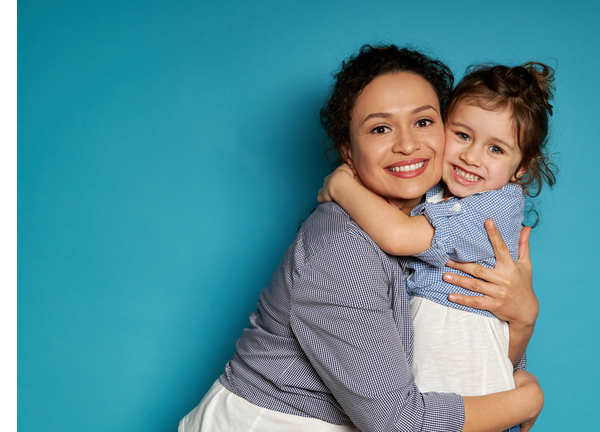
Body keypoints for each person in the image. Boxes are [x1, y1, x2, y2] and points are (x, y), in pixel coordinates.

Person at [179, 44, 543, 432]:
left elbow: (470, 349)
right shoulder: (343, 248)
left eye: (422, 122)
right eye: (380, 128)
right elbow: (398, 422)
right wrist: (524, 401)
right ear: (348, 152)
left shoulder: (436, 221)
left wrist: (523, 319)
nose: (407, 144)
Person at [318, 62, 558, 431]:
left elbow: (398, 237)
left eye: (495, 149)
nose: (471, 157)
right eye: (462, 135)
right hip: (437, 336)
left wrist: (341, 186)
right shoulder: (439, 192)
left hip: (457, 340)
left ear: (521, 168)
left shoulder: (492, 207)